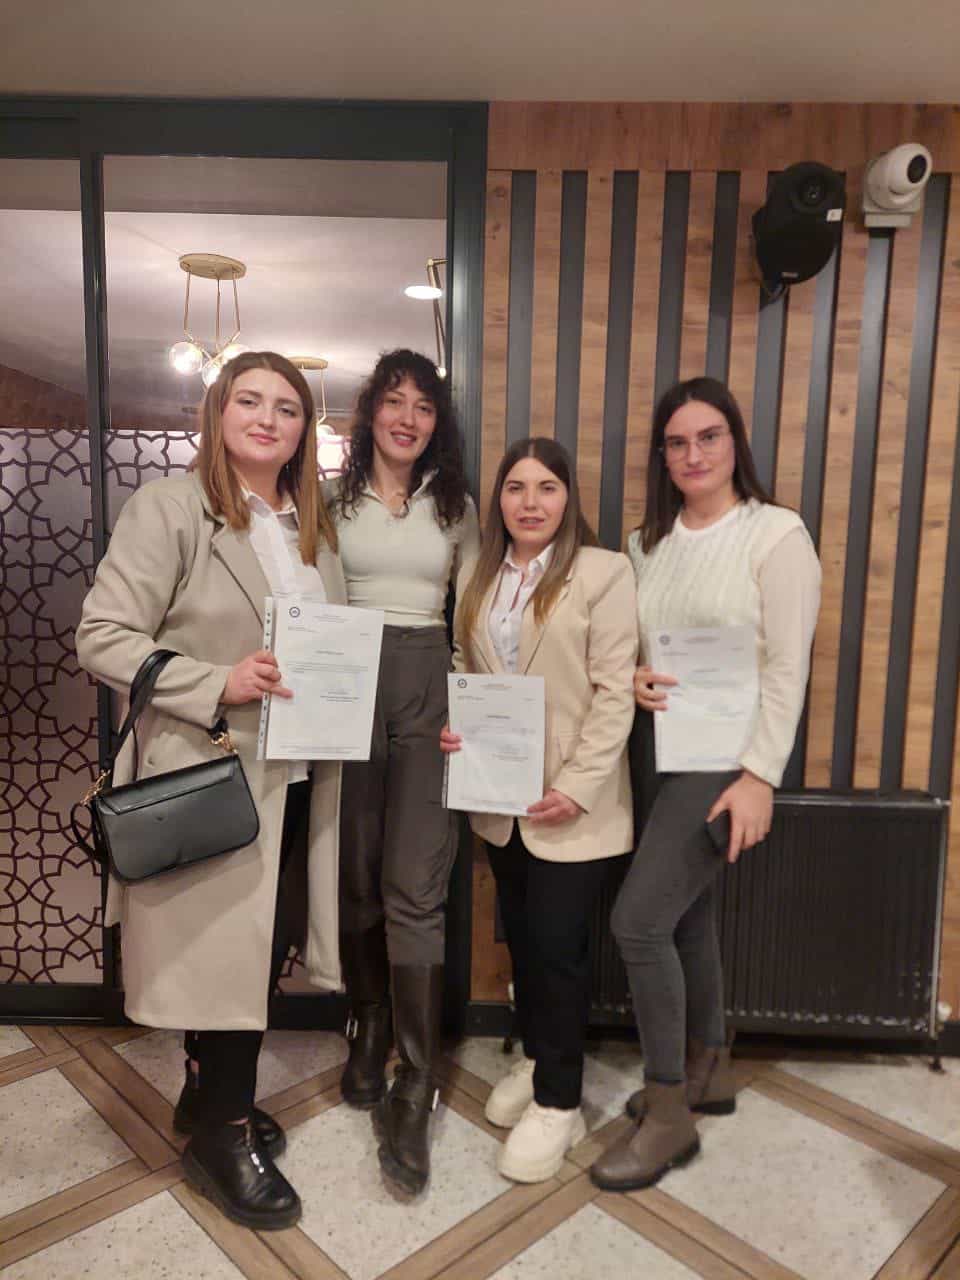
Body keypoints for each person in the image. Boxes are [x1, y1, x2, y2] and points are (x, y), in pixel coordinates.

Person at [76, 351, 345, 1230]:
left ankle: (204, 1093)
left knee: (262, 946)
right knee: (229, 955)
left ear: (305, 429)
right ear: (219, 412)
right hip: (211, 769)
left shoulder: (313, 527)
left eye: (288, 408)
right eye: (250, 401)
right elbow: (102, 635)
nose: (268, 419)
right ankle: (223, 1133)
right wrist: (215, 681)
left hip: (298, 771)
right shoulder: (170, 508)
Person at [590, 376, 821, 1192]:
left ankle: (667, 1114)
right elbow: (632, 647)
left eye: (709, 436)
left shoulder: (776, 535)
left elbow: (788, 667)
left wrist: (760, 776)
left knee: (638, 922)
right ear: (663, 455)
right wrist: (636, 677)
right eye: (678, 442)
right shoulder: (644, 543)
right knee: (685, 919)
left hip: (726, 759)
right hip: (658, 748)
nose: (694, 454)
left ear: (734, 443)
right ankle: (709, 1065)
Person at [443, 436, 638, 1183]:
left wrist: (578, 784)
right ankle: (535, 1057)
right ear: (498, 498)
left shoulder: (603, 572)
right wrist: (457, 723)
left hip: (571, 803)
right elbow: (465, 665)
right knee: (523, 941)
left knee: (558, 950)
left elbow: (615, 691)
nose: (530, 502)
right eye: (516, 487)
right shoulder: (477, 572)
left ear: (568, 497)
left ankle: (561, 1100)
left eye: (546, 488)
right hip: (500, 797)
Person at [327, 349, 479, 1194]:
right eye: (394, 401)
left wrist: (475, 706)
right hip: (346, 678)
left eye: (423, 405)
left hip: (428, 681)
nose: (408, 418)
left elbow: (478, 609)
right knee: (355, 873)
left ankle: (416, 1080)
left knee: (413, 883)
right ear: (371, 413)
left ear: (436, 422)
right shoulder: (329, 500)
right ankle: (370, 1023)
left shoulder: (455, 507)